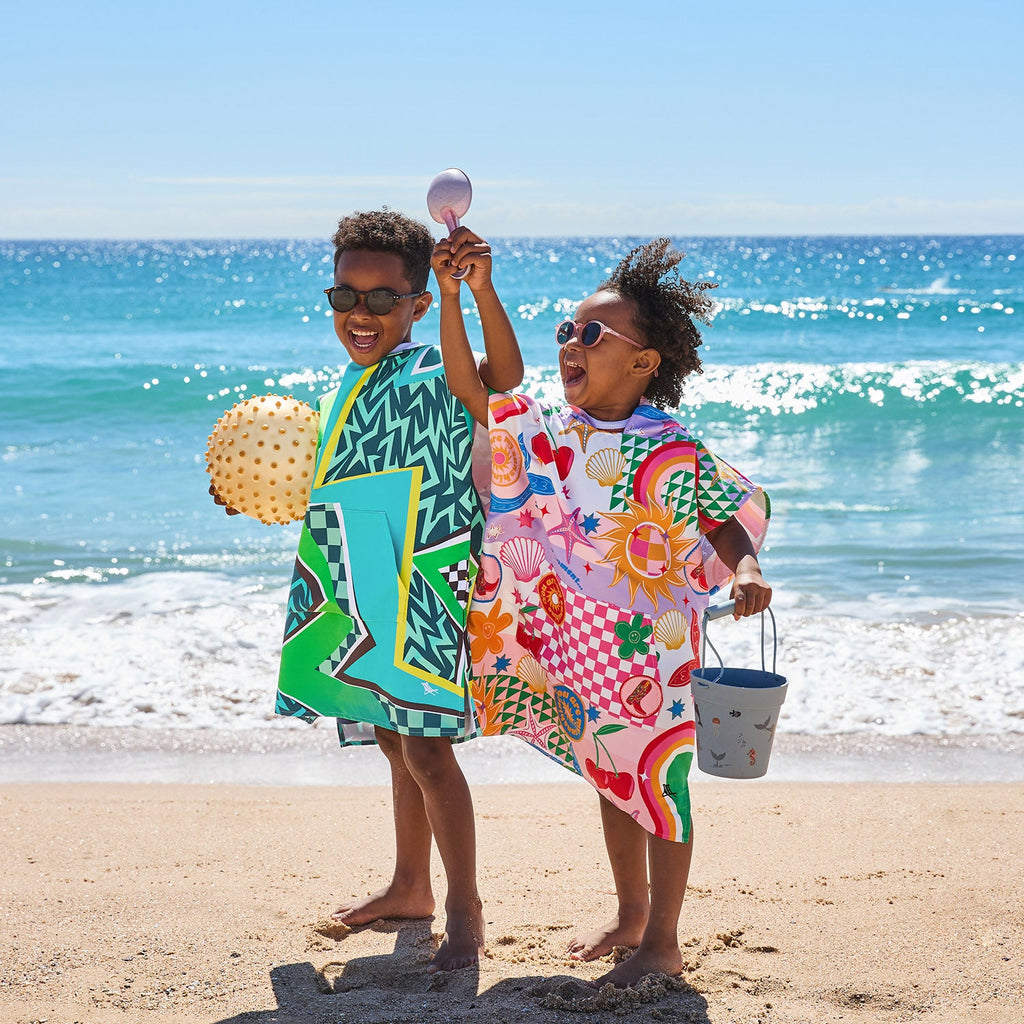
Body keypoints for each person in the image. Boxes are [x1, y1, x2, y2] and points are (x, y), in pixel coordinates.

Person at [431, 228, 772, 987]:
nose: (570, 346)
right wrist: (465, 293)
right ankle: (630, 915)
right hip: (582, 638)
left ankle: (665, 941)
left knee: (661, 782)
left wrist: (744, 567)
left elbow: (723, 516)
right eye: (566, 332)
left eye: (591, 334)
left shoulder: (671, 445)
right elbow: (477, 390)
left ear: (644, 361)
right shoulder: (554, 436)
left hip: (656, 646)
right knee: (612, 773)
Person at [216, 209, 522, 973]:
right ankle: (410, 886)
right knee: (390, 738)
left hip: (421, 576)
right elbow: (324, 475)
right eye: (345, 296)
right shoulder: (350, 382)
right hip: (360, 570)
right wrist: (252, 491)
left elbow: (499, 385)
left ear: (415, 304)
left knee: (425, 747)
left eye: (384, 299)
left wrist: (469, 295)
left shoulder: (432, 368)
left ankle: (464, 908)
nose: (361, 313)